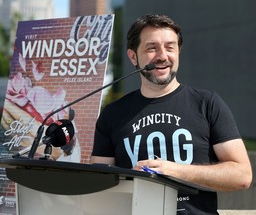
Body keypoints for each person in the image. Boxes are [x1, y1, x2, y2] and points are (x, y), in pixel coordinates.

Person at [91, 14, 252, 214]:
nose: (162, 56)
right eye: (152, 48)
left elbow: (242, 176)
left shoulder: (207, 103)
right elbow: (98, 186)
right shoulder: (112, 114)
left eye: (170, 47)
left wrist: (173, 171)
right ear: (133, 57)